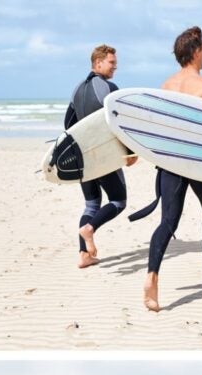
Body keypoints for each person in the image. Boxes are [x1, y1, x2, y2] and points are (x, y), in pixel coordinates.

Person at [132, 26, 202, 312]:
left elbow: (157, 127)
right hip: (201, 162)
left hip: (172, 161)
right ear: (195, 52)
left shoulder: (166, 86)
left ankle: (152, 276)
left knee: (168, 221)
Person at [65, 44, 136, 269]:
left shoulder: (77, 89)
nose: (115, 67)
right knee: (118, 201)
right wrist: (130, 151)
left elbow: (68, 125)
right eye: (112, 62)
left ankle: (84, 255)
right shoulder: (109, 88)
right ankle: (90, 229)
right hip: (103, 157)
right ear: (98, 63)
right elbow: (119, 123)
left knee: (91, 205)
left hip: (82, 158)